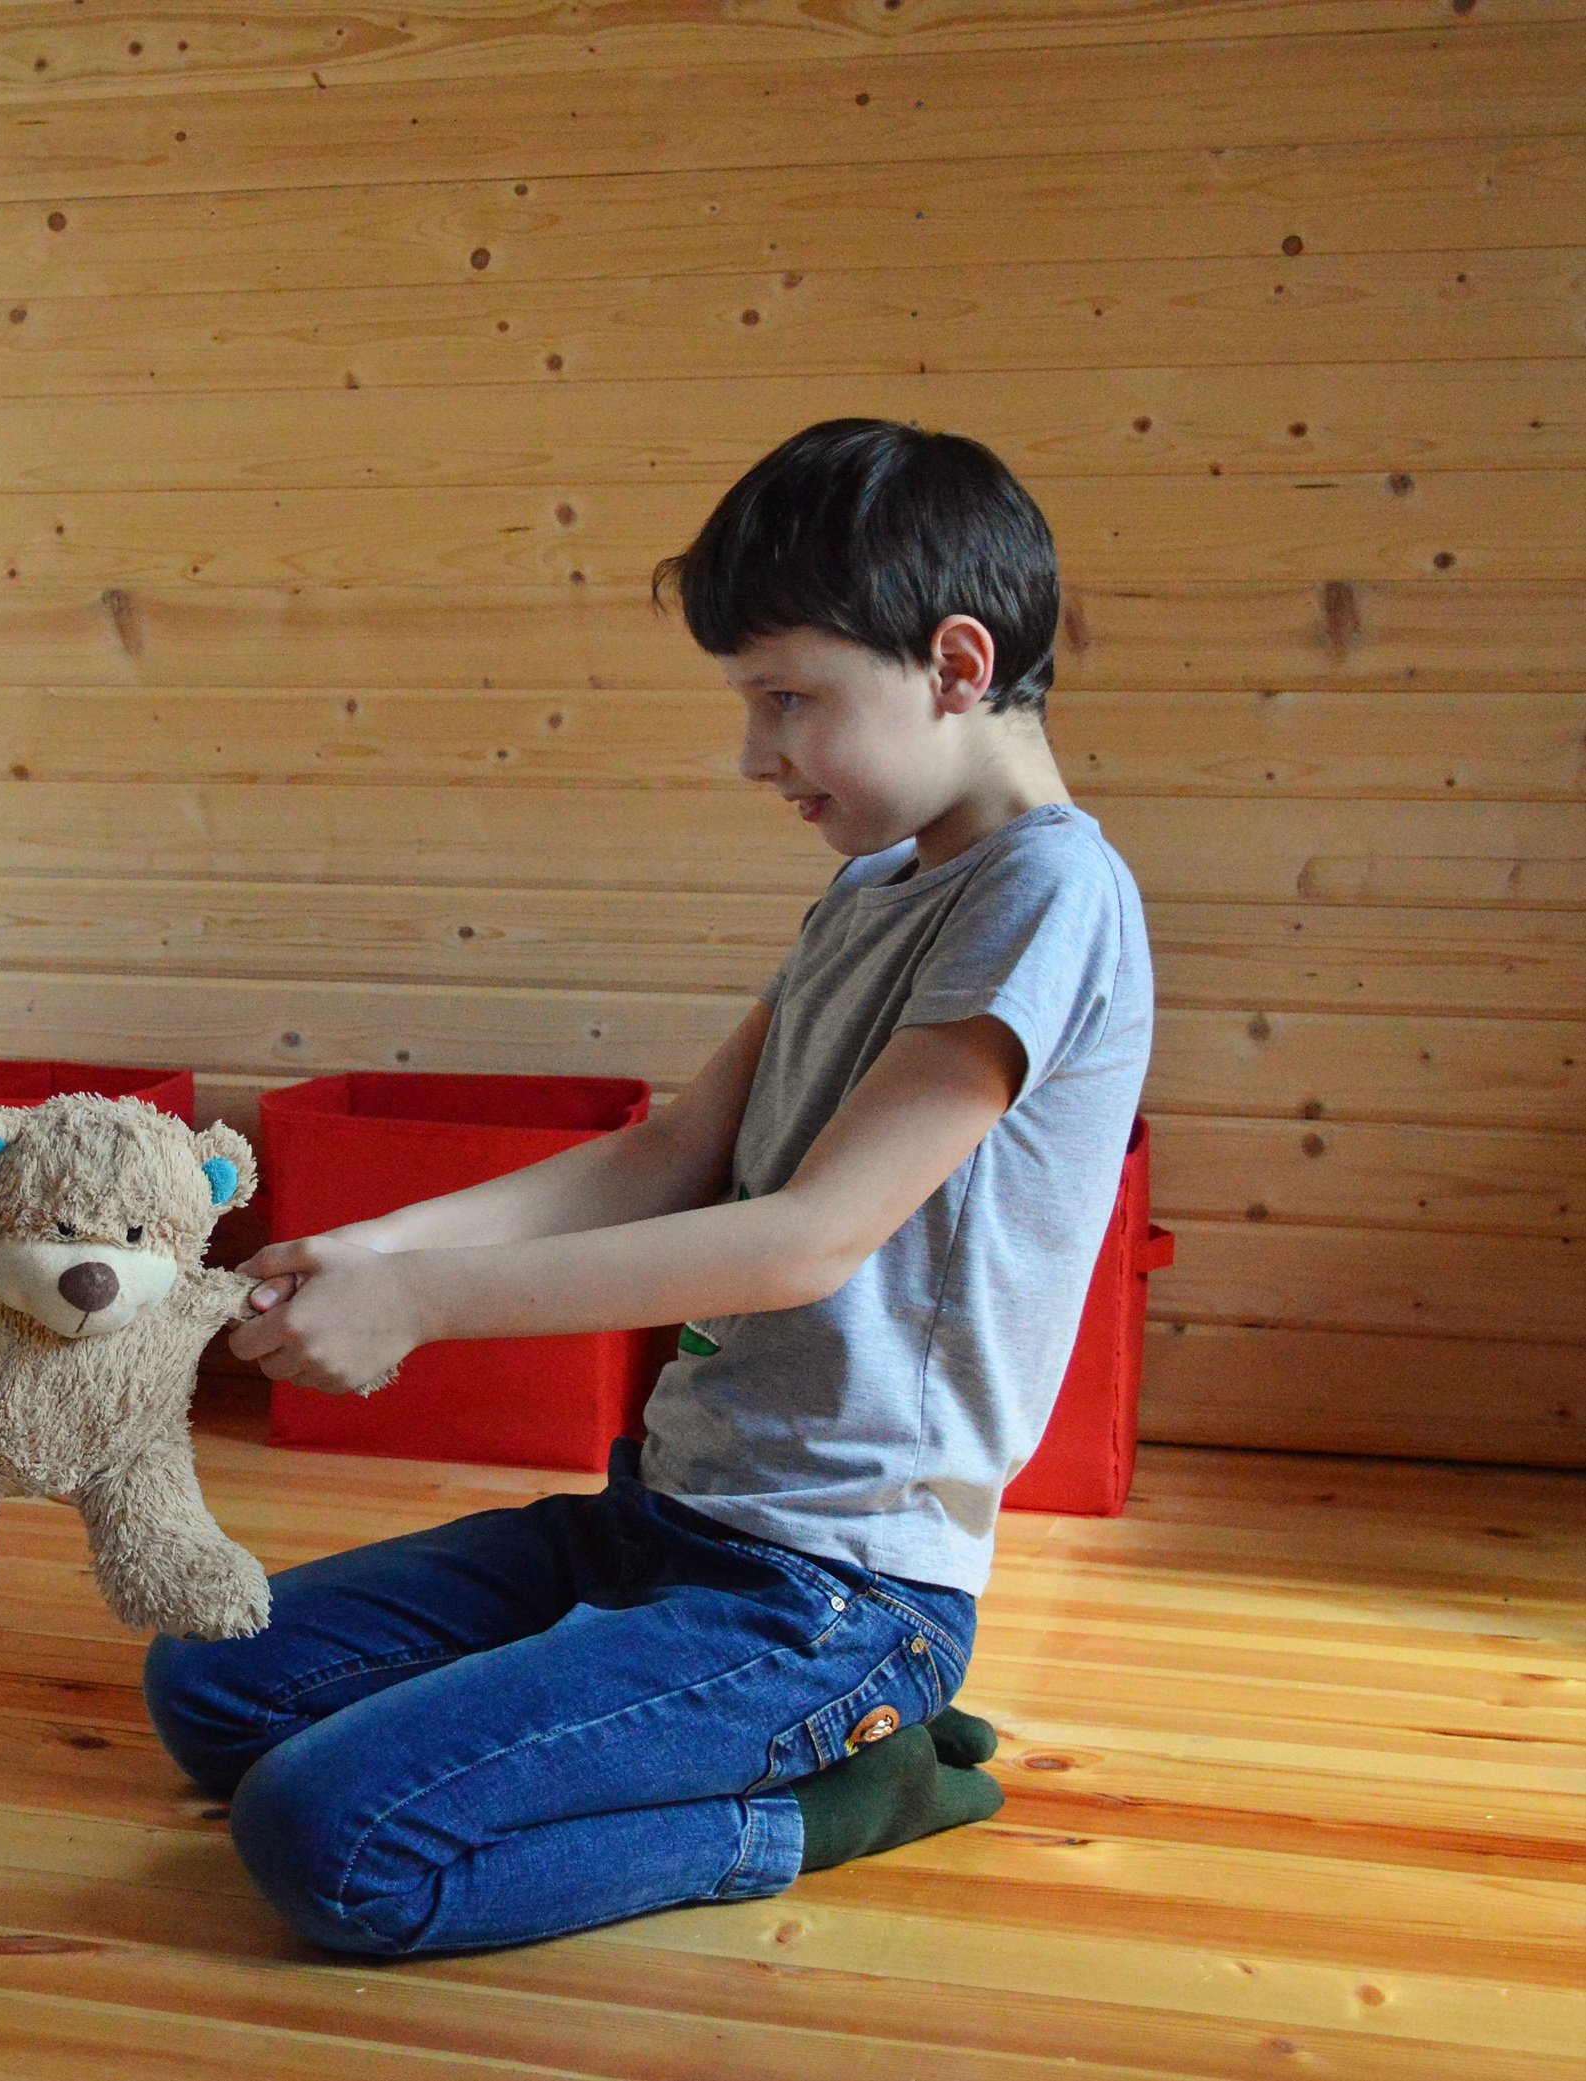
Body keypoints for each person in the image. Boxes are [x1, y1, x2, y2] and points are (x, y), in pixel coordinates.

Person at [147, 419, 1154, 1956]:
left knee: (330, 1838)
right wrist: (376, 1239)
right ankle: (621, 1719)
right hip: (662, 1519)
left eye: (787, 700)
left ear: (956, 664)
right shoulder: (873, 887)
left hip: (830, 1593)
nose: (755, 754)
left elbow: (806, 1240)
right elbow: (664, 1153)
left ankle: (831, 1795)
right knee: (210, 1679)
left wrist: (421, 1301)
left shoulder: (1048, 892)